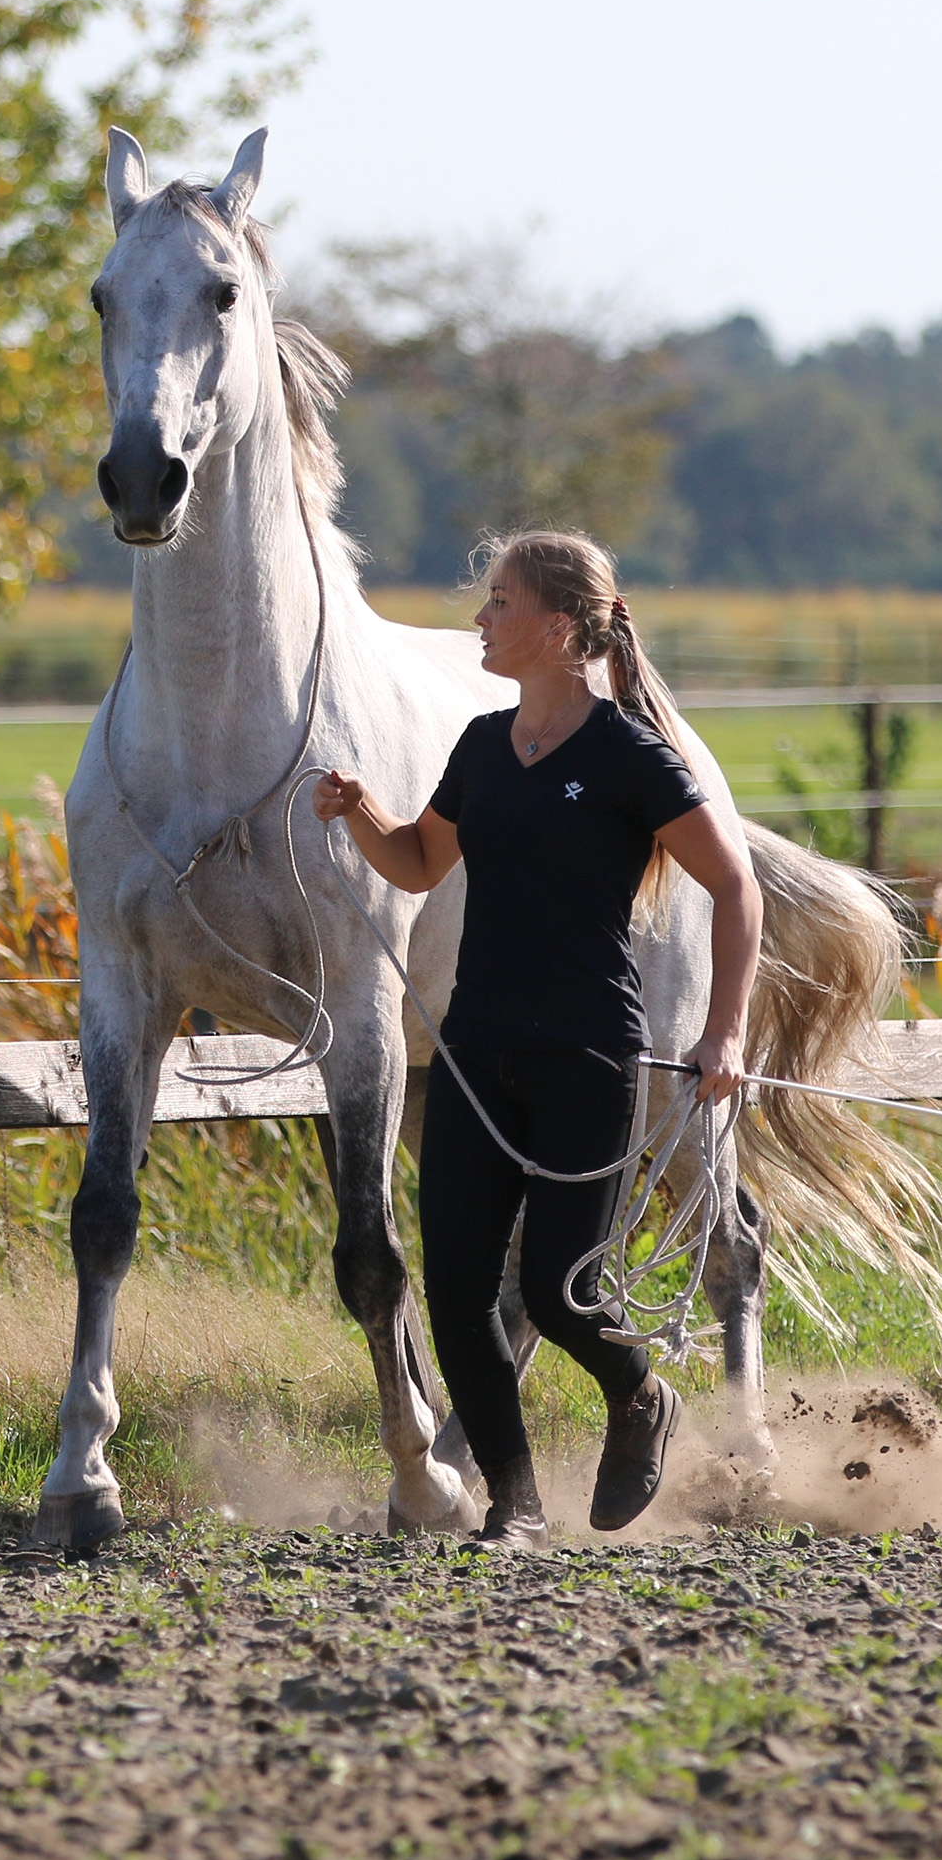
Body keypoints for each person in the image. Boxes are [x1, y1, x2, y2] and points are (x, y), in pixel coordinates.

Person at [312, 529, 762, 1550]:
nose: (479, 620)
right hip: (476, 1055)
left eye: (499, 603)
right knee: (460, 1294)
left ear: (557, 627)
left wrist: (723, 1033)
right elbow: (420, 865)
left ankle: (639, 1394)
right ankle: (512, 1507)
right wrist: (358, 812)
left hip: (585, 1057)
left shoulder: (627, 756)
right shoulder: (480, 746)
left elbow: (736, 887)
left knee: (564, 1295)